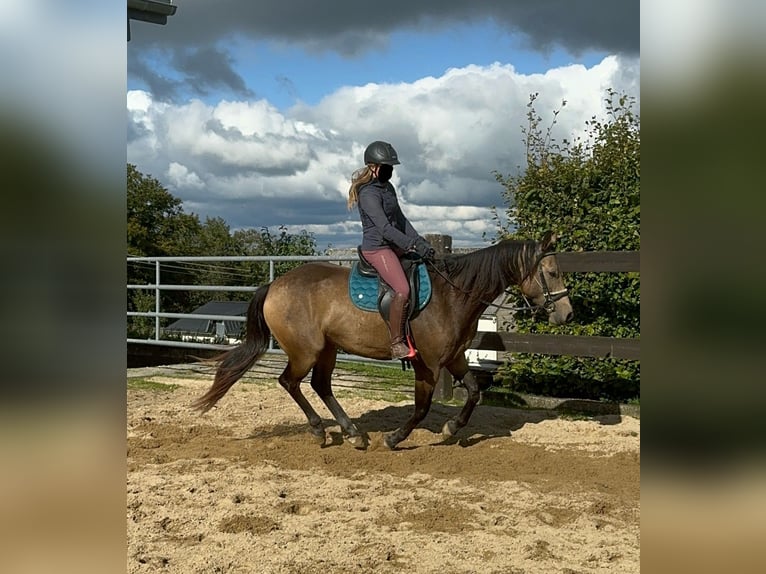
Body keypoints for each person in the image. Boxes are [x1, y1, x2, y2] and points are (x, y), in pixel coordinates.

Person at [347, 140, 435, 360]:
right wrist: (411, 245)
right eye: (386, 167)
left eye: (391, 167)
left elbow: (400, 220)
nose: (390, 171)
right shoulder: (367, 194)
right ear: (373, 167)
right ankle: (396, 343)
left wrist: (420, 241)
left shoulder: (388, 188)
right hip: (377, 249)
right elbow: (385, 228)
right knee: (402, 289)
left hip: (394, 246)